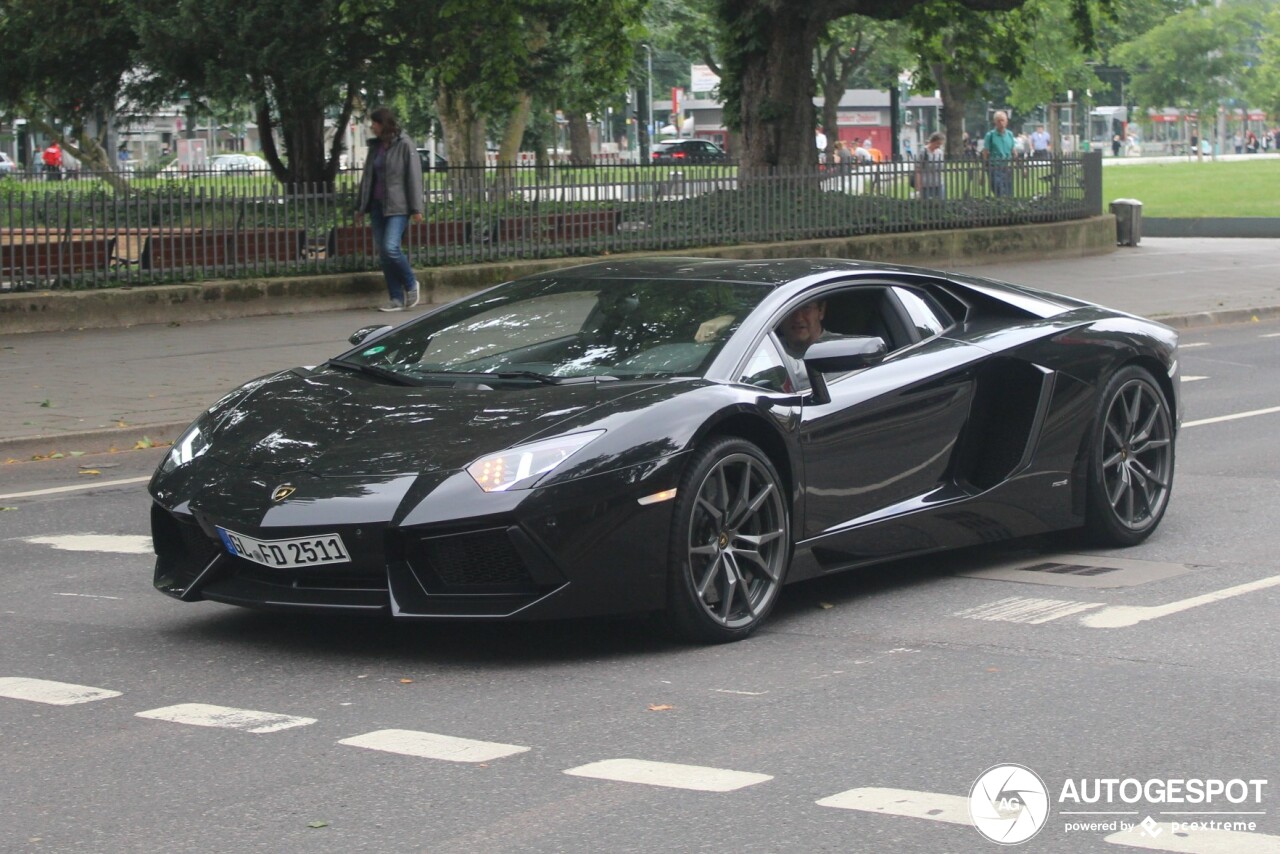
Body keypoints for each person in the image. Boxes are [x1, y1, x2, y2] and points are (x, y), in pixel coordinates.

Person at [354, 106, 424, 312]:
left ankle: (411, 283)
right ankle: (395, 298)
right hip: (377, 206)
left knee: (391, 247)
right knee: (384, 254)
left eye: (374, 123)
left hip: (398, 206)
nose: (371, 127)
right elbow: (368, 178)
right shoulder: (375, 147)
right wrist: (361, 207)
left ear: (383, 124)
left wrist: (416, 207)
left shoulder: (404, 144)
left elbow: (413, 177)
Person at [982, 110, 1016, 197]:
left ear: (1006, 121)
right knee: (999, 191)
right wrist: (983, 171)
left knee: (1009, 193)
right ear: (995, 122)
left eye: (1002, 120)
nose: (1001, 123)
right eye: (998, 121)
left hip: (1007, 168)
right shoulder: (990, 135)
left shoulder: (1010, 135)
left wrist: (1022, 167)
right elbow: (985, 152)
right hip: (994, 167)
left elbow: (1013, 150)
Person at [915, 131, 946, 200]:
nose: (939, 146)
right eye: (937, 143)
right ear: (932, 141)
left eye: (940, 144)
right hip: (926, 184)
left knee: (941, 203)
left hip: (939, 183)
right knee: (927, 205)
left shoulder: (940, 152)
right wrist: (918, 185)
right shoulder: (923, 152)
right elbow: (918, 169)